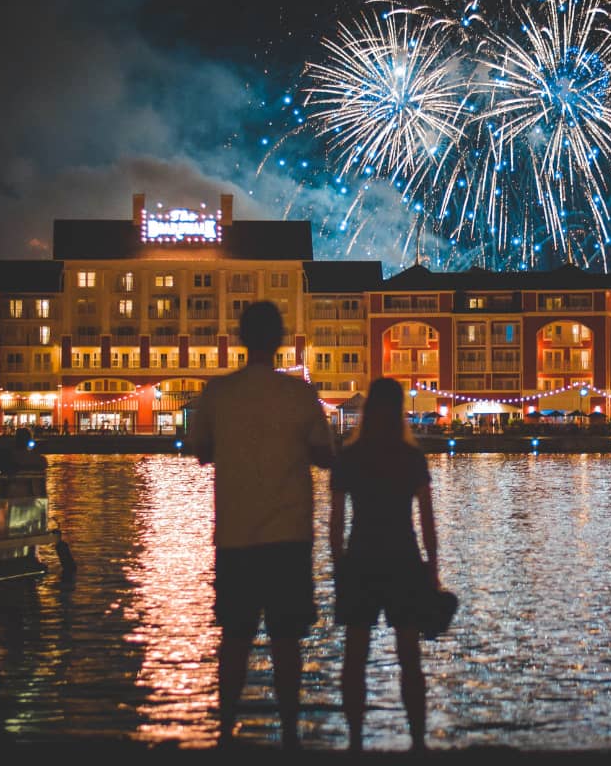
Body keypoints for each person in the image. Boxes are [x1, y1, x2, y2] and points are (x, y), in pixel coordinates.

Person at [188, 300, 334, 749]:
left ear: (240, 338)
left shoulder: (218, 394)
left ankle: (226, 732)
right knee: (287, 639)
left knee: (234, 637)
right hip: (289, 536)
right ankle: (290, 734)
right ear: (281, 341)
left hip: (235, 537)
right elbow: (325, 454)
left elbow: (199, 450)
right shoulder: (299, 395)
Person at [330, 377, 440, 753]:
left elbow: (335, 521)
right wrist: (433, 568)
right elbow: (426, 519)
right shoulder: (411, 457)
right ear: (399, 412)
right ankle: (418, 741)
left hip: (360, 556)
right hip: (403, 558)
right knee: (410, 656)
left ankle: (356, 740)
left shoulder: (349, 456)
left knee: (355, 656)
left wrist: (338, 566)